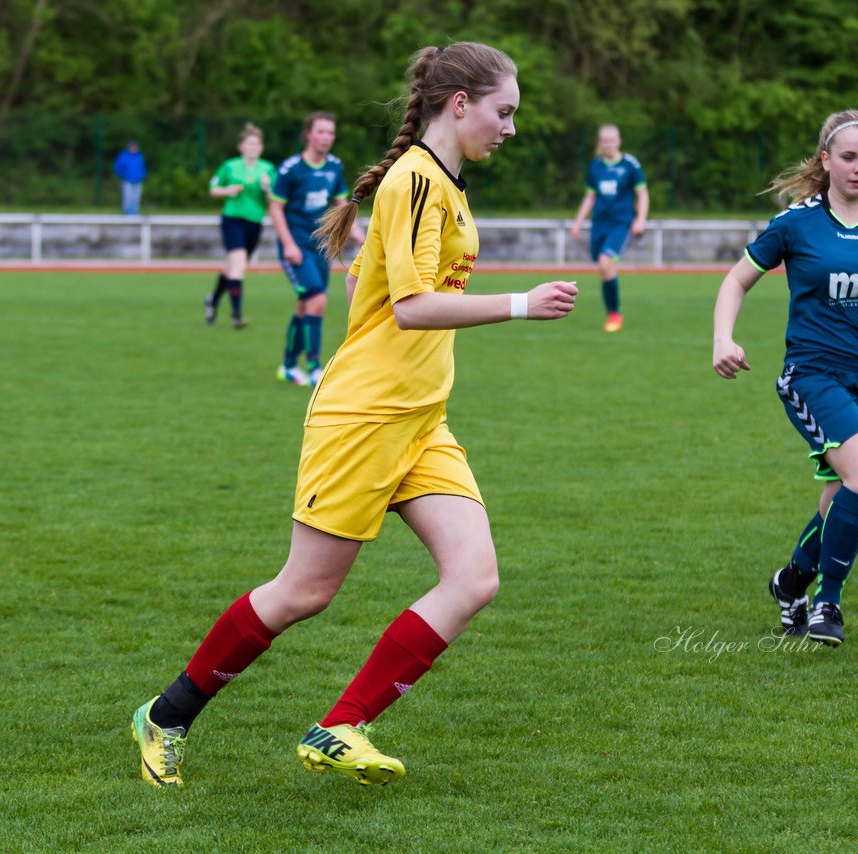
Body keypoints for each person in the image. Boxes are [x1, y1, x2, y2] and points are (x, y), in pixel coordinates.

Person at [130, 41, 578, 788]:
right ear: (459, 103)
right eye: (504, 112)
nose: (511, 127)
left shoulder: (446, 186)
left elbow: (370, 296)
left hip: (420, 421)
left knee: (473, 578)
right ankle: (166, 715)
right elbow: (410, 309)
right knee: (305, 591)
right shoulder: (414, 182)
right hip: (365, 417)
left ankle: (341, 726)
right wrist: (521, 304)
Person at [712, 109, 858, 646]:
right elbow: (736, 281)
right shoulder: (796, 223)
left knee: (843, 495)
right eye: (850, 157)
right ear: (826, 160)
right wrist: (723, 338)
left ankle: (790, 583)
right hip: (813, 374)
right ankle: (826, 602)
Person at [267, 112, 365, 386]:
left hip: (321, 247)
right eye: (321, 132)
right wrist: (287, 245)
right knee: (318, 301)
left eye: (330, 133)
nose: (326, 138)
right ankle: (313, 367)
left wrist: (355, 232)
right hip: (296, 247)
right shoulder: (290, 169)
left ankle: (287, 366)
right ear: (308, 134)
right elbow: (275, 207)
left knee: (305, 305)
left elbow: (340, 203)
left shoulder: (334, 166)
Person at [570, 124, 648, 332]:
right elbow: (590, 197)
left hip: (621, 223)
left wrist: (640, 219)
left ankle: (614, 314)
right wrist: (577, 223)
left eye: (612, 140)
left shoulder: (630, 165)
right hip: (599, 224)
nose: (608, 144)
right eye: (604, 140)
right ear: (600, 143)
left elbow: (642, 194)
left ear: (618, 141)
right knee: (604, 267)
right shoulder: (596, 166)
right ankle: (613, 312)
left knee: (605, 263)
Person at [205, 123, 277, 328]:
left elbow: (275, 199)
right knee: (239, 266)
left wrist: (267, 188)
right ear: (241, 146)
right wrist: (227, 190)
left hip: (254, 222)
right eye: (249, 144)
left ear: (261, 148)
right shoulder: (230, 166)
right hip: (232, 219)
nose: (253, 147)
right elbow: (213, 189)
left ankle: (213, 301)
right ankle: (237, 315)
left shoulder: (268, 169)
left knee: (231, 268)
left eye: (257, 144)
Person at [113, 141, 146, 216]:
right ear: (129, 147)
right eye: (132, 147)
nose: (134, 148)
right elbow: (118, 168)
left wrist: (141, 176)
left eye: (135, 147)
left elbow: (143, 168)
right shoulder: (123, 156)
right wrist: (123, 176)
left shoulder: (139, 157)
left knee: (136, 198)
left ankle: (134, 214)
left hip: (138, 181)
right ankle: (127, 213)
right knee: (127, 198)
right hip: (127, 180)